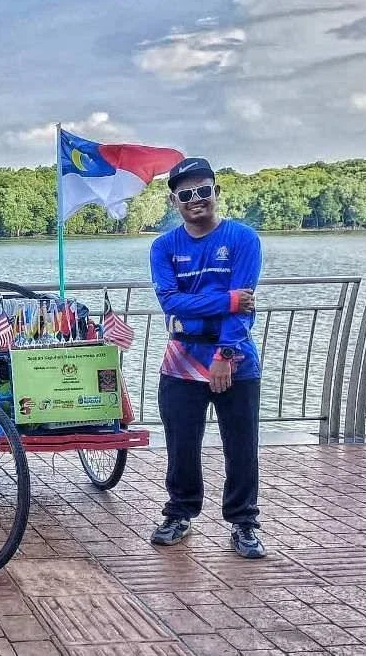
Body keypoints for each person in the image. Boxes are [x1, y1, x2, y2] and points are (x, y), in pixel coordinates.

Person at [148, 157, 266, 559]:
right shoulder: (164, 247)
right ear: (174, 202)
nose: (195, 199)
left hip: (235, 357)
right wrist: (227, 299)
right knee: (181, 443)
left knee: (241, 444)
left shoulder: (243, 238)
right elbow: (170, 301)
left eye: (203, 190)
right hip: (181, 357)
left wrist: (225, 354)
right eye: (185, 194)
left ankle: (244, 522)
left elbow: (244, 307)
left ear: (216, 192)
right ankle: (179, 513)